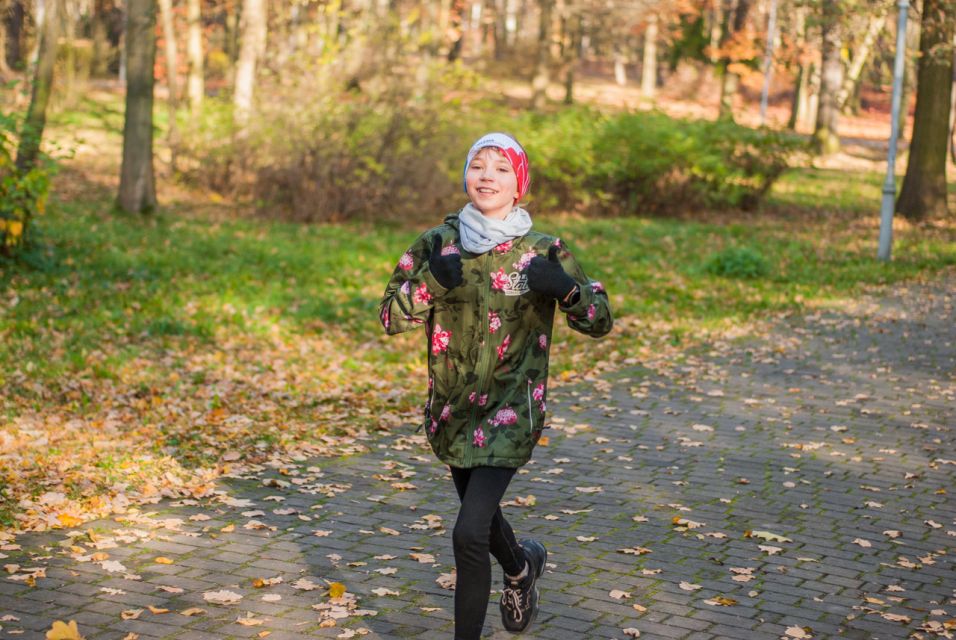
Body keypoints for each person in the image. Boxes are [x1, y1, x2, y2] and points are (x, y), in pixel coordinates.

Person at [379, 132, 613, 639]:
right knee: (480, 522)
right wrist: (431, 284)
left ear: (519, 183)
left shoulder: (541, 251)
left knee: (467, 532)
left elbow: (598, 320)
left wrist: (569, 291)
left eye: (501, 168)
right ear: (466, 175)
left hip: (511, 412)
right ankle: (521, 567)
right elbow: (389, 318)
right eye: (478, 166)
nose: (487, 176)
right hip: (453, 410)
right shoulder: (437, 244)